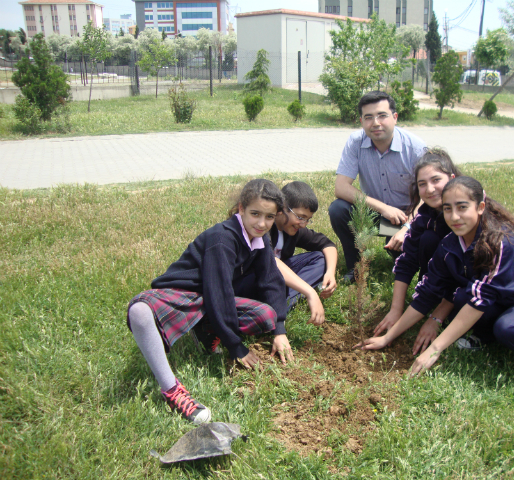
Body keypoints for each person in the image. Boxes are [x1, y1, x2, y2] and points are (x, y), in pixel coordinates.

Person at [359, 176, 514, 402]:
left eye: (462, 207)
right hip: (504, 300)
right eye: (447, 209)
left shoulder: (502, 242)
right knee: (461, 295)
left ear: (480, 207)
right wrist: (388, 337)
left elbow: (480, 301)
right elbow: (427, 294)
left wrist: (434, 350)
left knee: (510, 327)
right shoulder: (449, 245)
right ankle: (487, 335)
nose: (454, 217)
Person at [126, 179, 294, 424]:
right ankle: (172, 390)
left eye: (269, 217)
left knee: (266, 315)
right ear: (241, 209)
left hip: (210, 295)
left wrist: (279, 330)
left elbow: (271, 280)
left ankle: (205, 331)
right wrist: (236, 346)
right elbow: (219, 292)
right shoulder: (222, 238)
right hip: (186, 293)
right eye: (255, 214)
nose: (261, 223)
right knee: (139, 312)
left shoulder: (261, 238)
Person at [328, 91, 426, 282]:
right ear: (361, 121)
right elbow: (341, 187)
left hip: (408, 217)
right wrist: (384, 208)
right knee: (338, 209)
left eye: (382, 115)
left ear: (395, 117)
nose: (376, 123)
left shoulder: (415, 148)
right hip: (376, 215)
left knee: (401, 257)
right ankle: (356, 268)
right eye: (369, 117)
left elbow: (430, 196)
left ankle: (400, 251)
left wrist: (407, 226)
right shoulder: (355, 142)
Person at [373, 148, 462, 337]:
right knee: (428, 238)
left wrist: (436, 318)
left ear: (452, 178)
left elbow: (468, 277)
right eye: (422, 184)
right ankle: (432, 296)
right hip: (448, 276)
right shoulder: (426, 215)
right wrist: (396, 309)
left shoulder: (465, 219)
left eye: (436, 180)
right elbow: (407, 261)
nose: (430, 189)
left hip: (482, 288)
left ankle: (440, 303)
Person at [271, 181, 338, 325]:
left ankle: (284, 301)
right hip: (256, 278)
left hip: (279, 278)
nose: (303, 224)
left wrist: (330, 273)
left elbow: (327, 244)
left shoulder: (294, 230)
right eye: (300, 217)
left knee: (321, 258)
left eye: (308, 220)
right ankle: (278, 306)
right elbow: (269, 261)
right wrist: (310, 292)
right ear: (282, 207)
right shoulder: (265, 225)